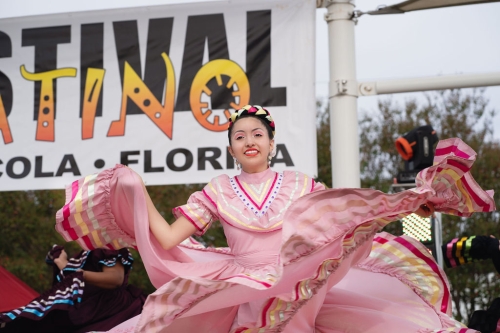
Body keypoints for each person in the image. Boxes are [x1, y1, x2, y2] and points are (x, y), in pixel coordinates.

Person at [54, 105, 496, 332]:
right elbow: (169, 236)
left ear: (271, 143)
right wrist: (134, 192)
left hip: (299, 279)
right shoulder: (216, 191)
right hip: (243, 285)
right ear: (230, 148)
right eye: (239, 136)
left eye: (257, 135)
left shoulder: (303, 184)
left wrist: (408, 206)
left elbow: (347, 222)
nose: (249, 141)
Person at [0, 245, 147, 333]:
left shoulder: (108, 246)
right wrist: (62, 262)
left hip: (112, 312)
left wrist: (78, 272)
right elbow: (74, 279)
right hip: (86, 315)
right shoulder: (84, 254)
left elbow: (116, 279)